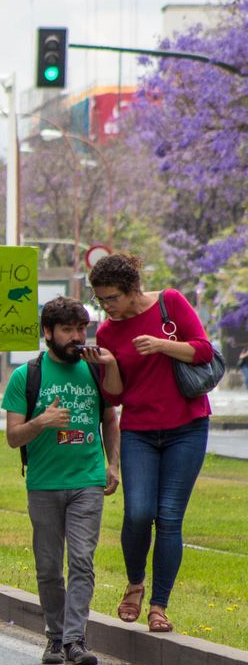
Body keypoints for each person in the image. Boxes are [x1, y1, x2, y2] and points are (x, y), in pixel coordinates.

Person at [90, 252, 214, 635]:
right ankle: (135, 583)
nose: (106, 306)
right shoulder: (107, 332)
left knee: (170, 517)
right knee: (138, 513)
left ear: (131, 290)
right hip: (140, 431)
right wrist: (110, 364)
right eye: (100, 300)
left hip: (187, 427)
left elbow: (203, 350)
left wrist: (162, 345)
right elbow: (113, 397)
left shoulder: (169, 302)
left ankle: (159, 605)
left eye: (112, 298)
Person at [4, 297, 123, 665]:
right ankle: (55, 636)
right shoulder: (26, 376)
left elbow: (110, 419)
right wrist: (42, 422)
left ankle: (75, 639)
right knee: (48, 566)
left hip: (87, 480)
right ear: (48, 332)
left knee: (82, 560)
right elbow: (13, 437)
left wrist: (113, 464)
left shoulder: (95, 370)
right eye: (68, 330)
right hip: (44, 483)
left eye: (81, 329)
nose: (77, 337)